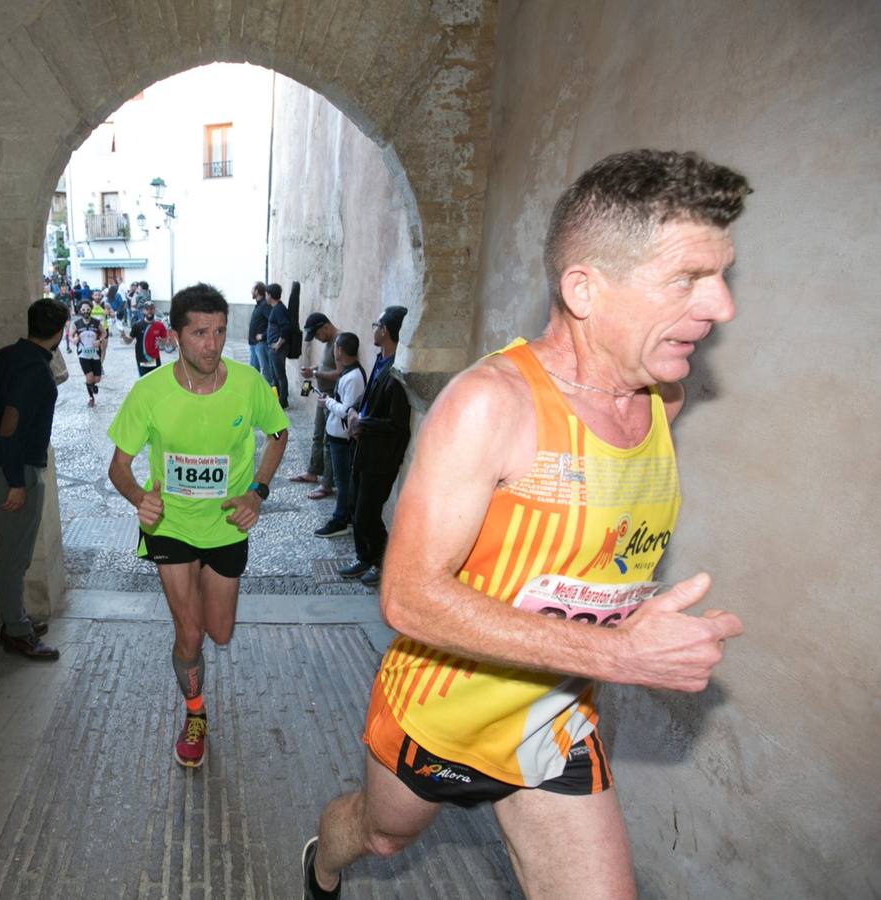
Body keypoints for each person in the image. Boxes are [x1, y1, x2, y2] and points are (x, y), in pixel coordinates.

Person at [302, 149, 750, 900]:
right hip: (442, 718)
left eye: (722, 277)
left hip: (555, 724)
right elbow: (408, 596)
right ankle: (321, 860)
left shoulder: (661, 403)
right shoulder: (492, 406)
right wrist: (621, 655)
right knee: (378, 836)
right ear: (584, 288)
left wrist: (614, 643)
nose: (721, 308)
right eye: (686, 280)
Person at [107, 283, 289, 769]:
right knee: (189, 635)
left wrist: (258, 491)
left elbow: (279, 433)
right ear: (174, 336)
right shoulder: (149, 393)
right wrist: (139, 498)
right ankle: (194, 715)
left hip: (227, 526)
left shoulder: (249, 385)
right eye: (200, 333)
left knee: (220, 633)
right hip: (170, 526)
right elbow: (119, 467)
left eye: (220, 332)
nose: (212, 344)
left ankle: (197, 659)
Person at [0, 298, 69, 661]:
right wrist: (17, 481)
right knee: (15, 554)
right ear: (60, 333)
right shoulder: (34, 370)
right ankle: (16, 630)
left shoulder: (5, 356)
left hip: (0, 463)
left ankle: (16, 618)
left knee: (14, 550)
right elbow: (10, 424)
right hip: (14, 471)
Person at [337, 305, 412, 587]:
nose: (374, 330)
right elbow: (366, 400)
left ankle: (383, 563)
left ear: (386, 330)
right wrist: (355, 412)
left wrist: (362, 423)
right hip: (364, 449)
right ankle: (363, 557)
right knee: (356, 507)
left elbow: (396, 425)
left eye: (377, 325)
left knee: (368, 513)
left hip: (381, 456)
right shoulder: (380, 361)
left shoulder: (397, 371)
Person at [312, 332, 366, 538]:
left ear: (340, 351)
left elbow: (348, 411)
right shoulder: (349, 373)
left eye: (335, 348)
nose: (334, 351)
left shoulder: (353, 377)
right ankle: (346, 516)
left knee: (342, 481)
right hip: (337, 434)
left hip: (343, 438)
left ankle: (340, 519)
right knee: (342, 479)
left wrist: (327, 403)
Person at [289, 313, 340, 499]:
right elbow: (327, 366)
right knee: (318, 436)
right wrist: (313, 370)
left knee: (328, 441)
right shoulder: (329, 342)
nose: (318, 339)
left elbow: (340, 373)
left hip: (332, 399)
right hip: (323, 397)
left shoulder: (339, 341)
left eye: (317, 334)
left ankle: (327, 485)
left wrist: (316, 375)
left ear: (325, 326)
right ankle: (312, 471)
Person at [123, 300, 174, 377]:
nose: (149, 311)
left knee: (156, 381)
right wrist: (123, 335)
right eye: (147, 309)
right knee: (144, 382)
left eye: (151, 309)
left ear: (154, 310)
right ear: (143, 311)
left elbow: (167, 342)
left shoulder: (160, 325)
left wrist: (163, 342)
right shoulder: (137, 325)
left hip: (155, 359)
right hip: (142, 359)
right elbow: (128, 341)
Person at [72, 300, 107, 406]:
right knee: (89, 377)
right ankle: (91, 397)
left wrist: (99, 341)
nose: (86, 311)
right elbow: (70, 335)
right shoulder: (76, 324)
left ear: (91, 310)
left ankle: (91, 385)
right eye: (83, 309)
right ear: (80, 311)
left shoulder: (96, 322)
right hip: (83, 355)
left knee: (97, 379)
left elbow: (104, 333)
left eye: (88, 309)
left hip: (95, 354)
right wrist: (74, 339)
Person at [264, 282, 291, 408]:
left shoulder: (279, 309)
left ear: (270, 295)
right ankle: (278, 399)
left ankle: (283, 402)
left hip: (277, 349)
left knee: (280, 376)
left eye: (266, 294)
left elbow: (286, 328)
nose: (265, 296)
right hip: (273, 348)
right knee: (275, 376)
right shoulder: (276, 308)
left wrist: (278, 344)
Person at [247, 281, 270, 373]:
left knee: (266, 371)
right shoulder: (259, 305)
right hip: (254, 344)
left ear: (257, 291)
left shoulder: (265, 305)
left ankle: (268, 387)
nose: (251, 292)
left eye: (252, 289)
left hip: (260, 344)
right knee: (253, 371)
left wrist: (263, 335)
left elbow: (273, 323)